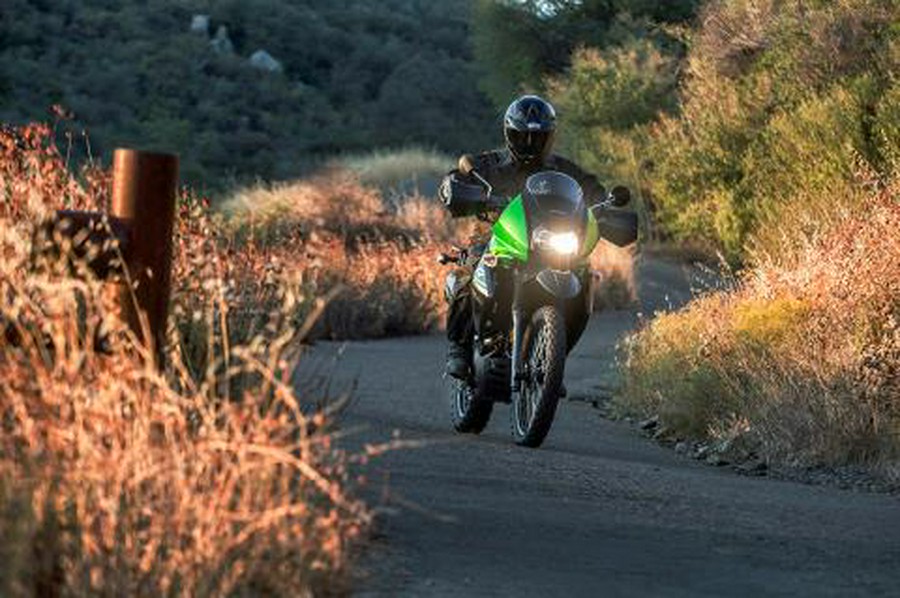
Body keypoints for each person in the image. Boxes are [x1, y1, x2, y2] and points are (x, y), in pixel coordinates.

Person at [439, 94, 606, 379]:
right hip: (496, 238)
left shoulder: (564, 170)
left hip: (547, 242)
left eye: (538, 137)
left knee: (585, 275)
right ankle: (458, 347)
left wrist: (604, 206)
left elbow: (592, 191)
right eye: (522, 136)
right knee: (472, 267)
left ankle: (552, 360)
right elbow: (456, 180)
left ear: (549, 136)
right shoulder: (489, 164)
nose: (530, 143)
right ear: (509, 134)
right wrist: (457, 188)